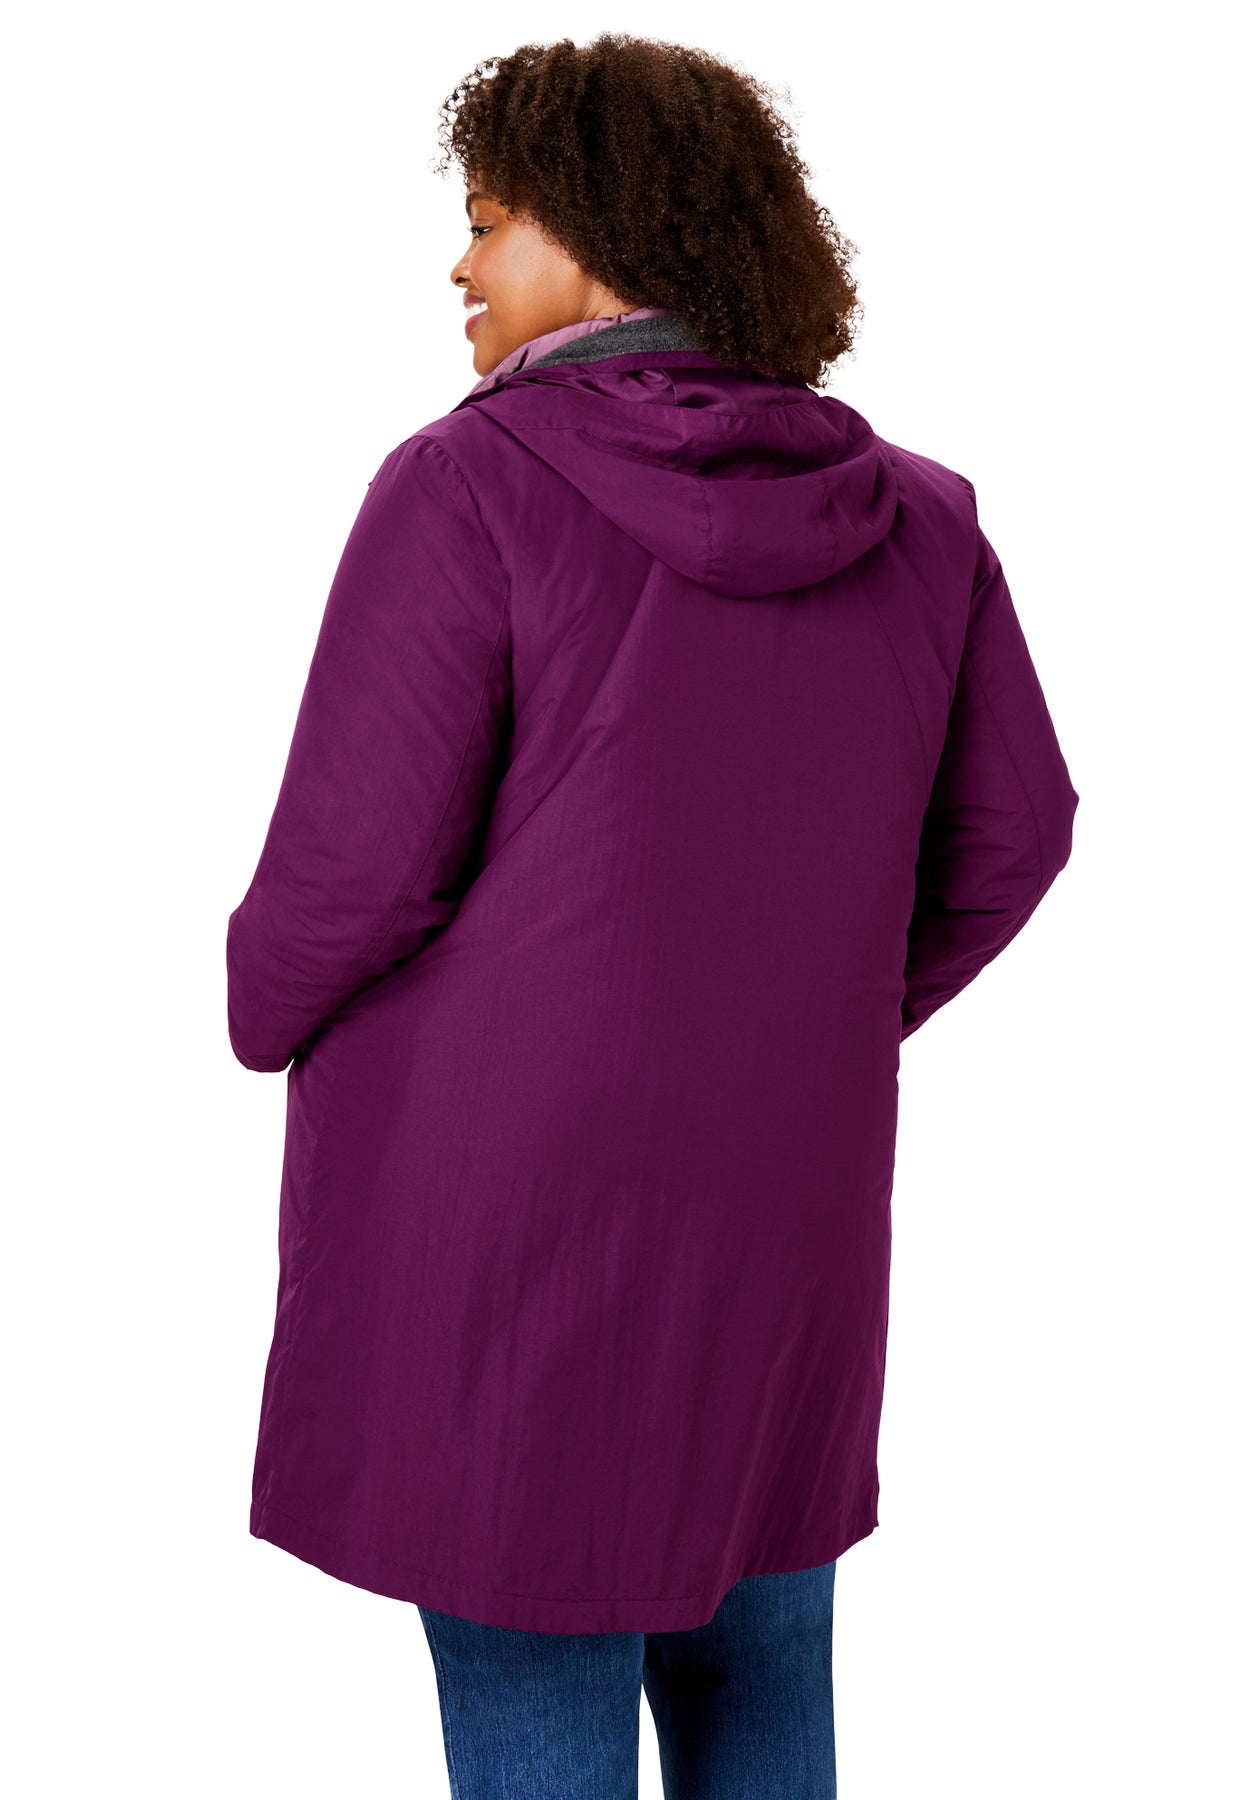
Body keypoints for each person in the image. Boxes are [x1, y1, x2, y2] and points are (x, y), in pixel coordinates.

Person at [226, 32, 1080, 1800]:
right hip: (782, 1203)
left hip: (509, 1221)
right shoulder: (920, 518)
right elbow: (1012, 836)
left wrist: (255, 1005)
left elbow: (352, 874)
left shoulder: (464, 484)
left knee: (531, 1656)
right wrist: (809, 1007)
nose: (458, 264)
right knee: (761, 1649)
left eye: (492, 217)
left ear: (606, 227)